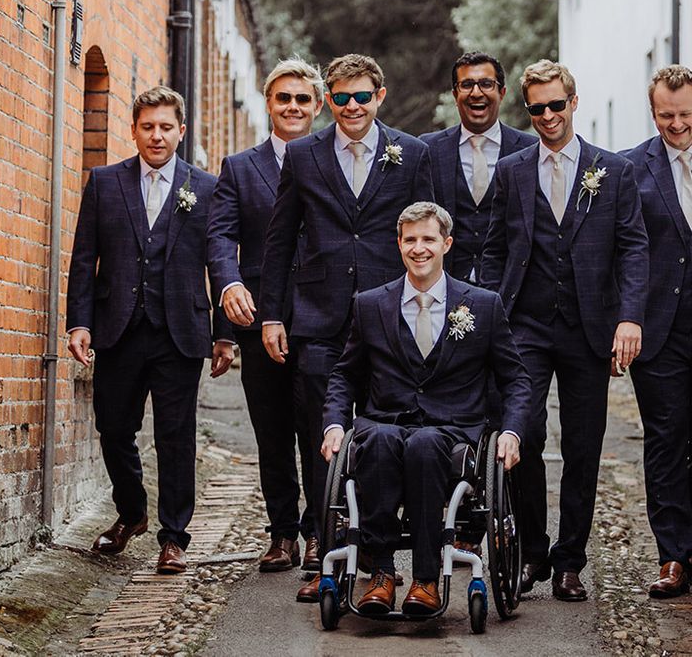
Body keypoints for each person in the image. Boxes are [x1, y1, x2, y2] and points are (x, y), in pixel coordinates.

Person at [258, 53, 434, 602]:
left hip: (390, 318)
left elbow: (429, 232)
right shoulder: (305, 156)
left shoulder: (414, 153)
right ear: (327, 100)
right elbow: (280, 239)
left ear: (379, 96)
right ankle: (324, 550)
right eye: (340, 97)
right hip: (317, 316)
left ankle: (382, 560)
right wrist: (272, 314)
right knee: (321, 437)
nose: (351, 106)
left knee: (386, 433)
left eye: (362, 96)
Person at [481, 60, 649, 601]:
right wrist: (487, 310)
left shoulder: (613, 171)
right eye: (537, 108)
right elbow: (494, 248)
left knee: (583, 445)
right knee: (522, 433)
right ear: (525, 110)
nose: (548, 116)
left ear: (573, 102)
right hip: (524, 324)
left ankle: (571, 560)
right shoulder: (511, 170)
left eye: (556, 105)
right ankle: (533, 551)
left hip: (588, 327)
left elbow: (633, 247)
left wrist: (629, 316)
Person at [321, 201, 530, 615]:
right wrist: (332, 423)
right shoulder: (370, 304)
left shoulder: (483, 306)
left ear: (446, 243)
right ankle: (380, 574)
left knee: (425, 444)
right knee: (377, 440)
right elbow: (345, 374)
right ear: (399, 245)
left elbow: (517, 378)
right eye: (411, 240)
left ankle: (426, 579)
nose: (420, 249)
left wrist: (512, 431)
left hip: (452, 429)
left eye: (428, 239)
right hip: (385, 422)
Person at [66, 86, 233, 573]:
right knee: (114, 428)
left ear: (181, 132)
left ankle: (174, 537)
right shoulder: (104, 182)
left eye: (165, 127)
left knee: (176, 435)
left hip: (180, 330)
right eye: (147, 126)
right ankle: (132, 512)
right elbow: (83, 260)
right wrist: (79, 322)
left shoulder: (206, 187)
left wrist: (224, 333)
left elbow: (220, 262)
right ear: (133, 129)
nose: (156, 136)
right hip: (117, 328)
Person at [207, 57, 323, 573]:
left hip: (323, 315)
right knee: (272, 431)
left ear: (318, 106)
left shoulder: (334, 160)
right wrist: (228, 282)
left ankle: (322, 531)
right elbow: (218, 234)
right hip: (258, 315)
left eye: (303, 98)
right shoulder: (239, 166)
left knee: (321, 428)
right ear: (268, 103)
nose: (293, 106)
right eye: (284, 98)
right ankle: (282, 533)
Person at [624, 65, 692, 598]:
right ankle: (673, 556)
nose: (676, 125)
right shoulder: (631, 169)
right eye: (666, 115)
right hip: (660, 332)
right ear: (653, 112)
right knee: (665, 441)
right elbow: (624, 251)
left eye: (686, 114)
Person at [420, 52, 536, 283]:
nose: (476, 92)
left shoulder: (530, 149)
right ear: (455, 94)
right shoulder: (427, 149)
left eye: (486, 84)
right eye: (467, 85)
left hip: (511, 291)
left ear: (501, 92)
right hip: (445, 287)